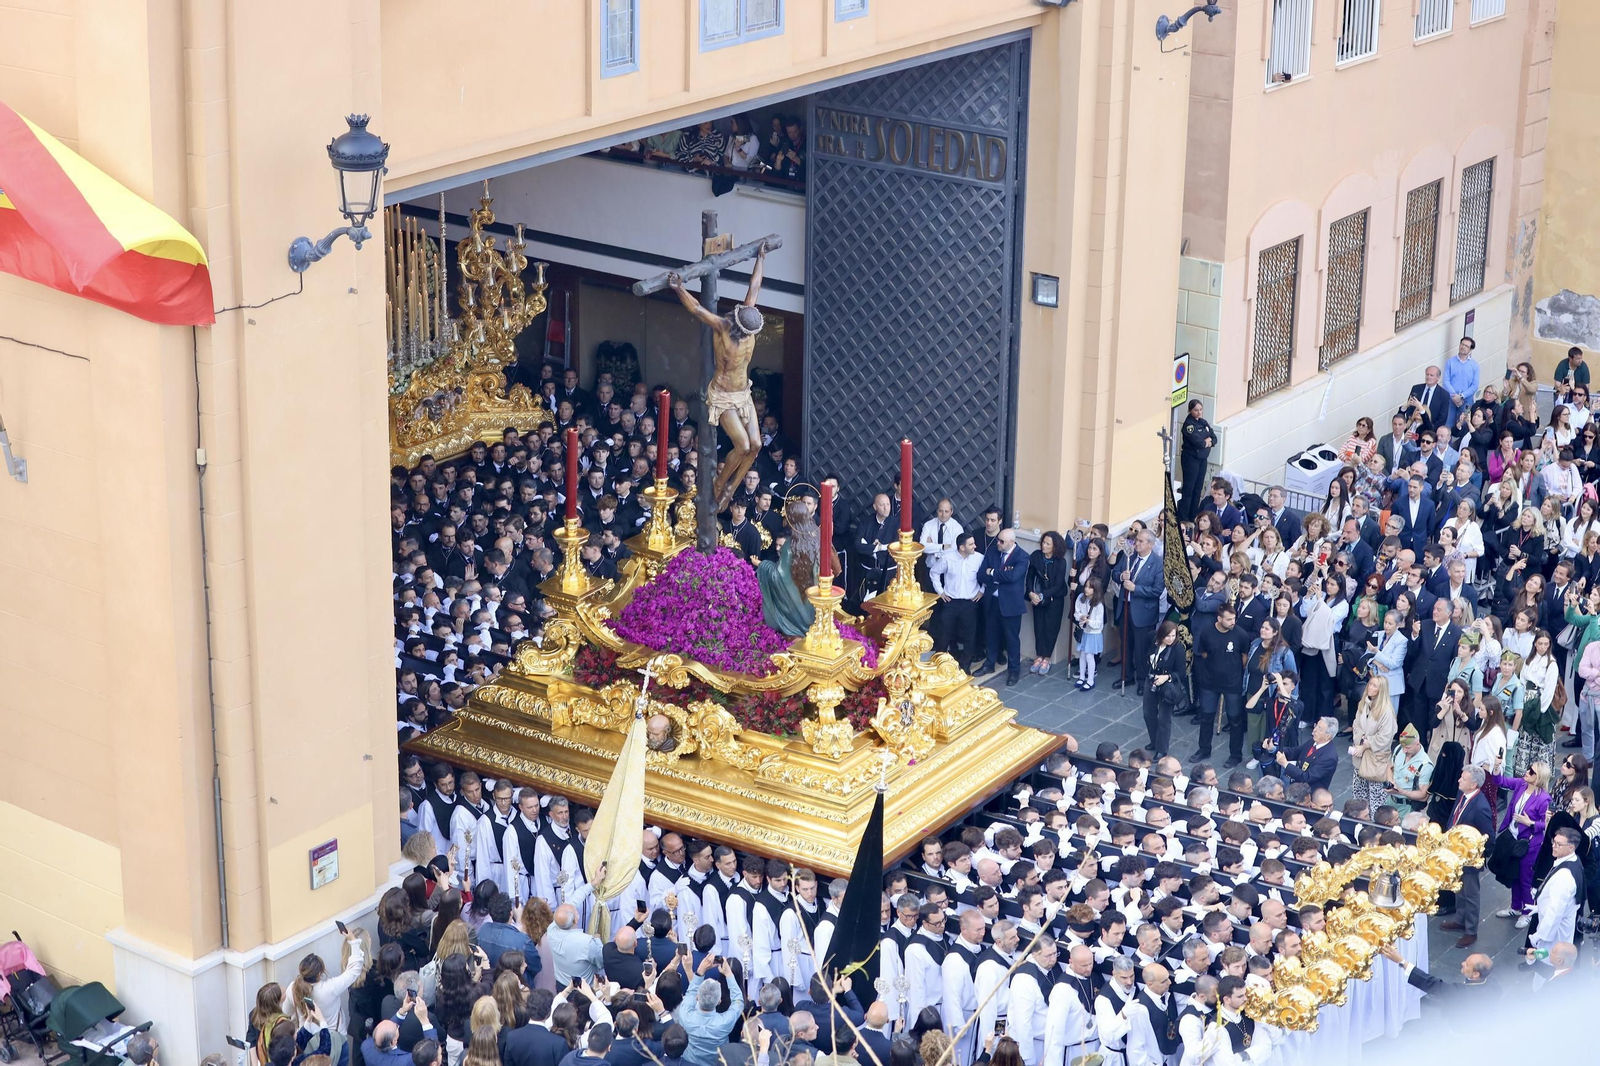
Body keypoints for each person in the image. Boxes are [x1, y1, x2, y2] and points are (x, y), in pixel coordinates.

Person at [1441, 764, 1495, 947]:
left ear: (1473, 784)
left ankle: (1471, 931)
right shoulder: (1462, 794)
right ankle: (1460, 920)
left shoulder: (1480, 807)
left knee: (1471, 894)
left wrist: (1477, 857)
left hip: (1470, 858)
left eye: (1463, 778)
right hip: (1456, 854)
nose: (1459, 780)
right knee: (1459, 889)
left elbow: (1489, 836)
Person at [1193, 603, 1247, 767]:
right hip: (1210, 682)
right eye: (1229, 619)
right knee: (1206, 717)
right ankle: (1204, 749)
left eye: (1234, 618)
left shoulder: (1240, 634)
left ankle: (1235, 754)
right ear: (1219, 619)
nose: (1233, 622)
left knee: (1235, 720)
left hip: (1232, 684)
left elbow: (1244, 656)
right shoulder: (1207, 632)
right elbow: (1204, 653)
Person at [1114, 529, 1165, 696]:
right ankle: (1126, 675)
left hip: (1143, 613)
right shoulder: (1128, 555)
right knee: (1125, 644)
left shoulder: (1158, 563)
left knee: (1142, 648)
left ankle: (1143, 680)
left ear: (1151, 544)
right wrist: (1121, 576)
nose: (1136, 543)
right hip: (1125, 607)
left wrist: (1135, 588)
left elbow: (1157, 590)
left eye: (1141, 541)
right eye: (1136, 540)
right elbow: (1115, 573)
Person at [979, 528, 1029, 687]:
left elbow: (1013, 577)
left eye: (1002, 541)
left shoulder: (1022, 556)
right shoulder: (992, 552)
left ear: (1012, 542)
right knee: (990, 634)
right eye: (998, 540)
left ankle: (1014, 670)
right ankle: (989, 663)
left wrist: (993, 572)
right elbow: (981, 574)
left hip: (1011, 604)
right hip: (992, 601)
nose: (998, 543)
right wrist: (999, 575)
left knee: (1011, 638)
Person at [932, 533, 984, 672]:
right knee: (944, 634)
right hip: (951, 602)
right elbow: (934, 573)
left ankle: (965, 666)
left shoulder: (979, 558)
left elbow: (985, 576)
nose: (975, 546)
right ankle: (938, 664)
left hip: (970, 603)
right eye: (971, 544)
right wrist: (940, 592)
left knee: (969, 636)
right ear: (962, 547)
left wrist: (982, 591)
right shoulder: (947, 558)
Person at [1349, 677, 1397, 817]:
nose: (1370, 687)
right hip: (1360, 759)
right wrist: (1361, 739)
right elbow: (1356, 724)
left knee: (1376, 800)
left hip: (1376, 761)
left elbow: (1385, 737)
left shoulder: (1386, 712)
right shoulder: (1363, 704)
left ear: (1381, 690)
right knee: (1359, 796)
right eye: (1370, 684)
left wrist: (1366, 744)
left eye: (1375, 686)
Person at [1026, 532, 1070, 674]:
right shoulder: (1036, 556)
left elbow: (1058, 585)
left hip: (1054, 599)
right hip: (1037, 597)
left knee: (1051, 628)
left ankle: (1047, 658)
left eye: (1048, 544)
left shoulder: (1061, 561)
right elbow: (1030, 576)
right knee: (1038, 626)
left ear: (1055, 546)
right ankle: (1039, 655)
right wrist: (1030, 593)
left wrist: (1042, 595)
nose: (1044, 546)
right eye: (1043, 542)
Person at [1142, 622, 1184, 758]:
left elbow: (1181, 673)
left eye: (1173, 636)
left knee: (1164, 718)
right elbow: (1145, 654)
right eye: (1168, 636)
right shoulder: (1153, 640)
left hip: (1167, 686)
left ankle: (1162, 749)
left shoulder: (1178, 649)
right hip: (1151, 680)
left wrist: (1166, 677)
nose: (1171, 639)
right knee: (1148, 713)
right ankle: (1154, 741)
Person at [1386, 723, 1434, 815]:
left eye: (1408, 747)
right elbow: (1390, 767)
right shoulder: (1399, 749)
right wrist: (1390, 781)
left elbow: (1423, 795)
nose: (1404, 750)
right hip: (1390, 800)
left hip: (1407, 807)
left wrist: (1401, 791)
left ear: (1417, 743)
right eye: (1403, 747)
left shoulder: (1425, 765)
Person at [1179, 400, 1214, 522]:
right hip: (1191, 459)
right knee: (1189, 489)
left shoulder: (1203, 423)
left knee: (1198, 488)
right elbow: (1197, 442)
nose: (1199, 412)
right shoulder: (1189, 425)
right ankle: (1184, 518)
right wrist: (1206, 441)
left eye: (1200, 409)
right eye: (1196, 410)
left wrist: (1207, 441)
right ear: (1190, 411)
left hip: (1202, 459)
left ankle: (1193, 516)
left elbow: (1214, 438)